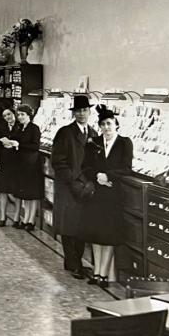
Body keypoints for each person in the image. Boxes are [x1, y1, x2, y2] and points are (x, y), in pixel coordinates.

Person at [78, 105, 133, 288]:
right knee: (96, 234)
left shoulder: (124, 143)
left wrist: (108, 176)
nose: (106, 128)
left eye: (110, 124)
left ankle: (104, 273)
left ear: (116, 125)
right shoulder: (93, 143)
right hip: (97, 193)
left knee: (108, 235)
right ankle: (97, 272)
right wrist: (97, 176)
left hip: (113, 194)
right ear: (99, 126)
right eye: (103, 124)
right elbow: (85, 166)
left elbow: (126, 168)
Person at [51, 95, 98, 279]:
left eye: (85, 110)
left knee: (81, 227)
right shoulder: (65, 133)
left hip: (85, 187)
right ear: (74, 113)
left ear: (89, 112)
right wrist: (73, 182)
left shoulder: (93, 134)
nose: (81, 114)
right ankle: (73, 263)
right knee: (69, 227)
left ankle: (76, 262)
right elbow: (58, 162)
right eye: (78, 111)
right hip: (69, 187)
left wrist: (89, 183)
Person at [11, 104, 43, 231]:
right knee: (25, 193)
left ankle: (31, 220)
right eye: (18, 115)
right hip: (23, 164)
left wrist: (19, 145)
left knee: (32, 193)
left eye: (22, 114)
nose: (20, 117)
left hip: (32, 164)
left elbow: (35, 146)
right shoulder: (21, 128)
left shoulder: (34, 128)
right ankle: (25, 219)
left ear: (29, 115)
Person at [0, 107, 19, 227]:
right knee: (2, 190)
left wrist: (15, 145)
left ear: (14, 114)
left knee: (17, 190)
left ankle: (17, 218)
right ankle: (3, 217)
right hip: (4, 160)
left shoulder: (21, 126)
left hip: (17, 160)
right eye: (5, 116)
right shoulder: (1, 127)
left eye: (9, 114)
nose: (7, 117)